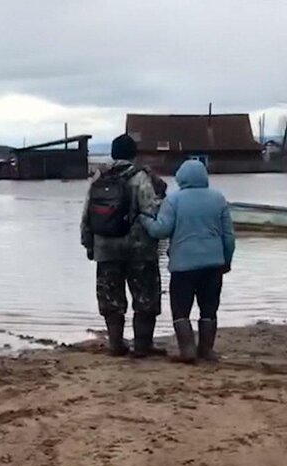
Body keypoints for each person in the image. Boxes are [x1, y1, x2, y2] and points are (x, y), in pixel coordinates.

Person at [141, 160, 236, 362]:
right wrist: (226, 260)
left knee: (181, 309)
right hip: (213, 264)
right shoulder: (218, 199)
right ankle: (206, 350)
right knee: (209, 309)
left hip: (183, 266)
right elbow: (228, 236)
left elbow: (161, 230)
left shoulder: (174, 200)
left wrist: (146, 220)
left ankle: (188, 351)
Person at [81, 134, 166, 358]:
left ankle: (115, 345)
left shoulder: (99, 178)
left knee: (111, 299)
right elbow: (151, 211)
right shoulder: (140, 178)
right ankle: (142, 346)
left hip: (105, 248)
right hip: (139, 249)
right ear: (133, 154)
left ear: (112, 153)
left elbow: (87, 215)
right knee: (145, 298)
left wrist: (89, 244)